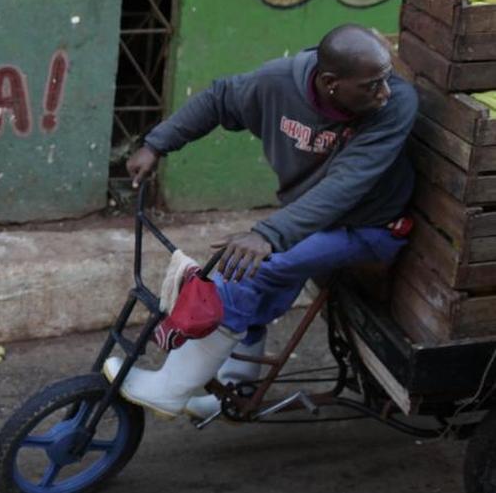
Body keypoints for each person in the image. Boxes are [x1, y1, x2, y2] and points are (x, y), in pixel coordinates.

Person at [104, 24, 417, 419]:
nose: (384, 92)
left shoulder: (395, 105)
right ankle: (236, 386)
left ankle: (170, 389)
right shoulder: (278, 82)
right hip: (311, 217)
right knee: (245, 269)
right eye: (372, 85)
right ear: (330, 82)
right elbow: (220, 99)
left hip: (370, 226)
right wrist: (157, 143)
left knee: (243, 273)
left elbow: (346, 185)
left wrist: (269, 234)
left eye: (385, 80)